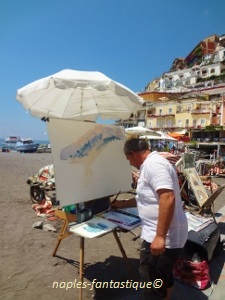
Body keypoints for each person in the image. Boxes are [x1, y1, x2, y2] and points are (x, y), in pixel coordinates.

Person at [112, 138, 188, 300]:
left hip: (164, 238)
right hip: (165, 235)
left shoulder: (154, 165)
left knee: (152, 283)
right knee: (163, 277)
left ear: (133, 153)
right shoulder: (153, 164)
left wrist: (160, 237)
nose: (129, 163)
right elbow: (149, 197)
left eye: (128, 158)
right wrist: (122, 204)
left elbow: (167, 197)